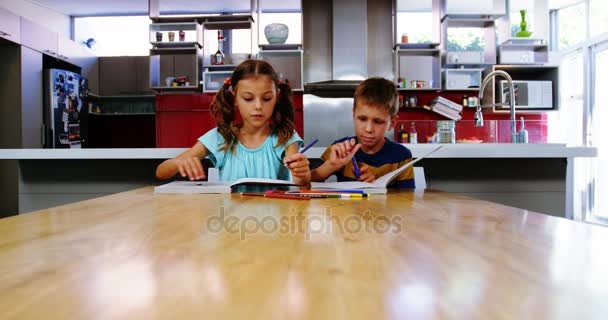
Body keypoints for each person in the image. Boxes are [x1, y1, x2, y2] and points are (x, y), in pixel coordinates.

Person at [156, 60, 310, 185]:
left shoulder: (285, 136)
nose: (258, 106)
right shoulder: (221, 137)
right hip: (230, 219)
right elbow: (161, 172)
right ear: (234, 98)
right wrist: (179, 163)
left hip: (273, 221)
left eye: (267, 98)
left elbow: (301, 184)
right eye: (248, 99)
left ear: (277, 97)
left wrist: (302, 175)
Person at [311, 77, 415, 188]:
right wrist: (330, 166)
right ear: (353, 114)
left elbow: (407, 200)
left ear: (392, 123)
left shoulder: (401, 156)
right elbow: (308, 182)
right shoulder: (338, 150)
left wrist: (376, 188)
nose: (368, 129)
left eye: (378, 121)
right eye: (362, 119)